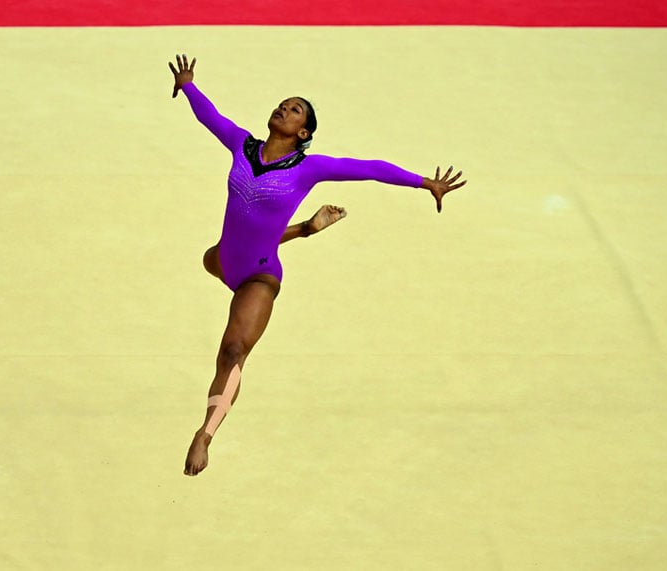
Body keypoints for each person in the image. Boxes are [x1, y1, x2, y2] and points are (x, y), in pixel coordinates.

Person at [169, 54, 466, 476]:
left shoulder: (309, 168)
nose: (283, 109)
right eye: (282, 103)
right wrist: (188, 85)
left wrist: (425, 182)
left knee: (233, 351)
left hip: (258, 274)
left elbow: (369, 169)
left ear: (303, 132)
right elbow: (210, 117)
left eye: (294, 110)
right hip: (224, 258)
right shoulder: (242, 144)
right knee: (210, 259)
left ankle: (205, 433)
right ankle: (306, 230)